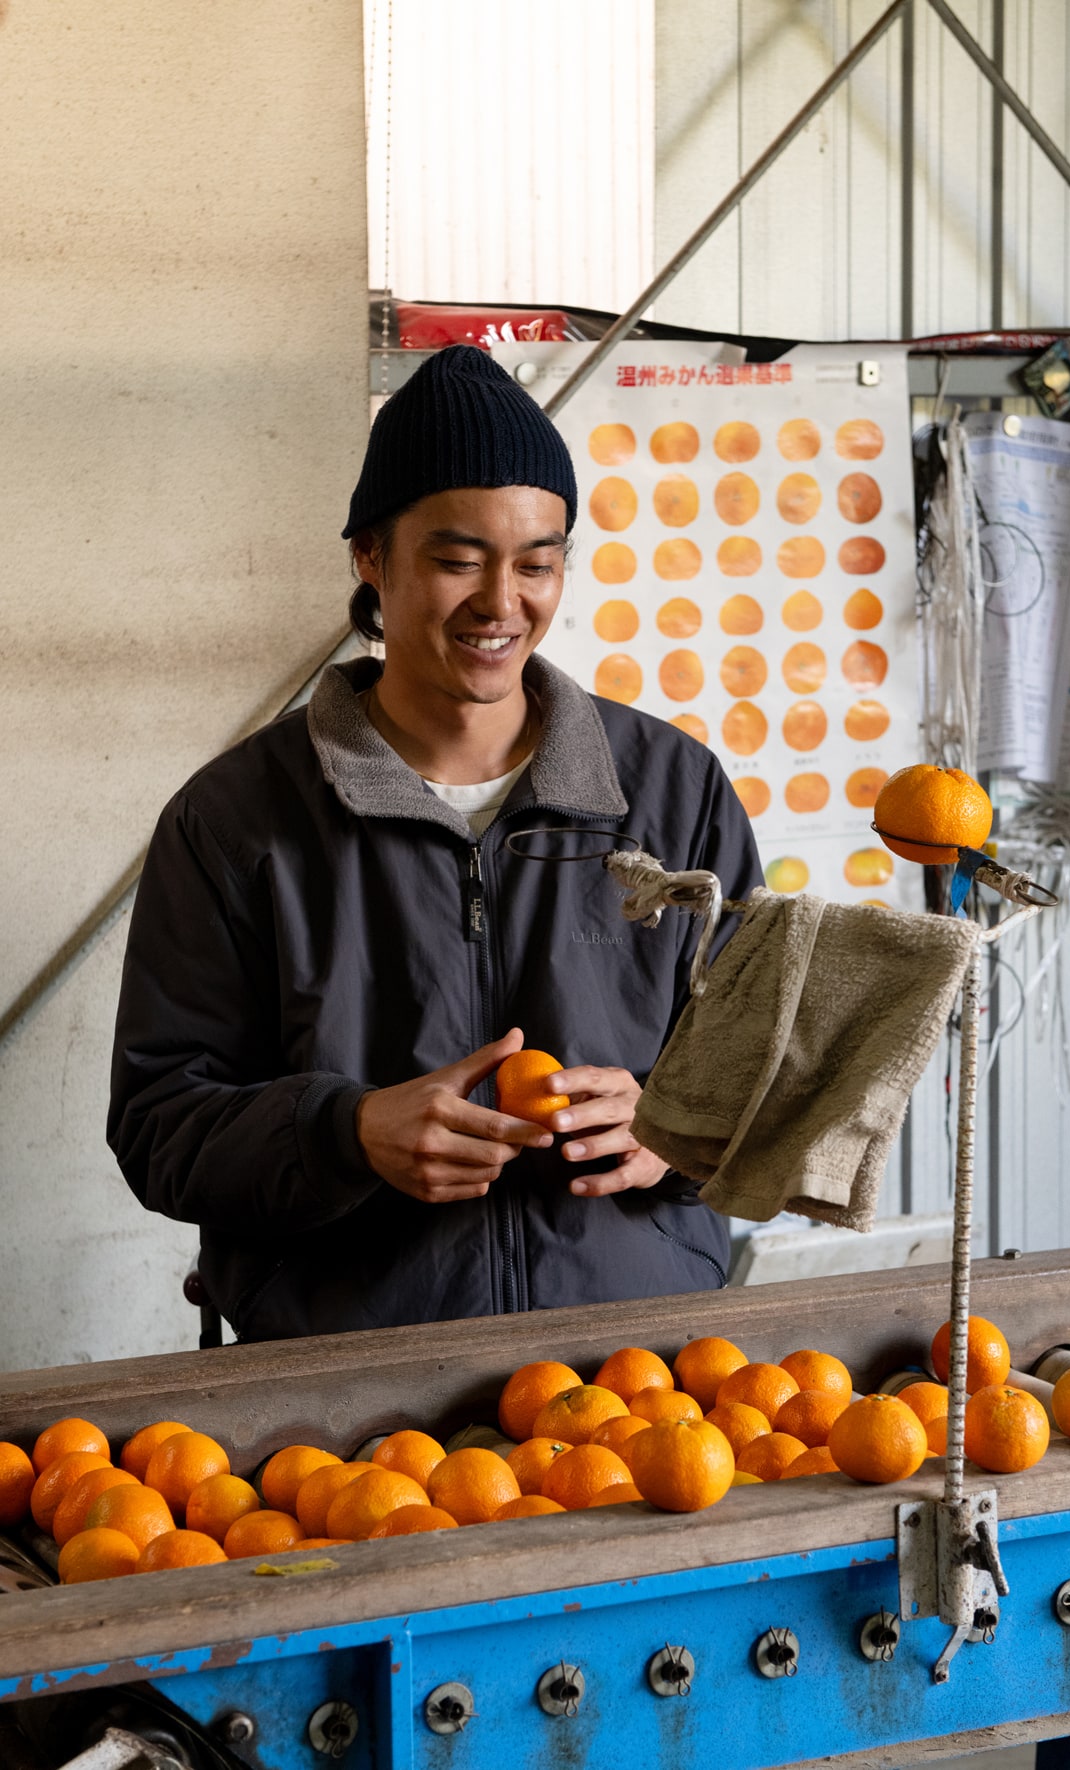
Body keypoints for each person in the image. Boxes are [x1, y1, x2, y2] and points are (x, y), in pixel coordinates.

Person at [108, 345, 763, 1341]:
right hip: (351, 1380)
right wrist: (345, 1133)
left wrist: (677, 1128)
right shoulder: (238, 819)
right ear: (371, 557)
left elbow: (767, 1073)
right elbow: (159, 1125)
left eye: (536, 563)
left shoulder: (674, 791)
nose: (501, 603)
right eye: (458, 560)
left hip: (637, 1365)